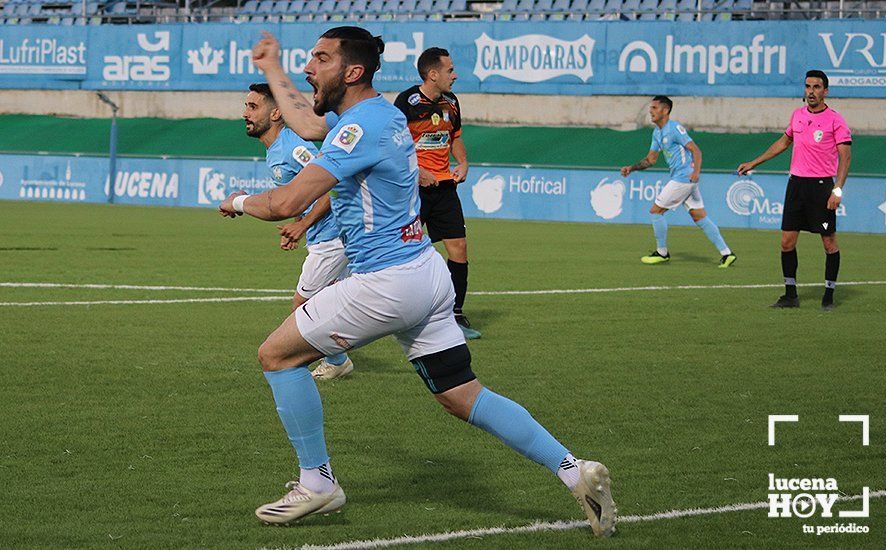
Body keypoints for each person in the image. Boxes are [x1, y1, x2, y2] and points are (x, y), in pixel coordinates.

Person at [218, 27, 616, 537]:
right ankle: (573, 471)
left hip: (385, 282)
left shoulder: (357, 130)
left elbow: (285, 203)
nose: (309, 68)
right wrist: (271, 68)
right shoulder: (378, 113)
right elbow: (304, 119)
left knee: (277, 355)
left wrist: (235, 200)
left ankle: (317, 484)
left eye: (320, 59)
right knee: (462, 394)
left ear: (352, 72)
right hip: (425, 274)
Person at [243, 82, 354, 381]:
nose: (246, 113)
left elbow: (330, 183)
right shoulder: (277, 150)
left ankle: (331, 359)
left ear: (277, 112)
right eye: (246, 106)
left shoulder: (296, 148)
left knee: (302, 304)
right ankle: (337, 355)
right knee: (331, 301)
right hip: (326, 236)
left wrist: (303, 224)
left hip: (331, 237)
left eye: (254, 107)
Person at [737, 70, 851, 311]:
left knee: (829, 243)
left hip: (821, 187)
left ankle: (829, 295)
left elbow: (845, 158)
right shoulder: (797, 115)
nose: (811, 91)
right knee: (787, 242)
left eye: (817, 87)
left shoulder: (835, 120)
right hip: (796, 185)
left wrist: (837, 190)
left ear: (825, 91)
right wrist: (753, 162)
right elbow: (783, 142)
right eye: (808, 86)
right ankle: (790, 295)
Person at [394, 48, 480, 340]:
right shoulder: (406, 102)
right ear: (433, 74)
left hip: (445, 188)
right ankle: (401, 312)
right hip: (414, 190)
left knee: (459, 249)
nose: (454, 75)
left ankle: (455, 313)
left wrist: (464, 162)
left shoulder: (452, 102)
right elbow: (395, 146)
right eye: (450, 70)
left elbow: (454, 137)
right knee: (406, 252)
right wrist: (416, 171)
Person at [621, 96, 736, 268]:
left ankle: (662, 252)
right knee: (699, 216)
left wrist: (696, 172)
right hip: (686, 180)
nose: (650, 111)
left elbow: (696, 150)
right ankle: (727, 253)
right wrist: (632, 168)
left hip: (684, 178)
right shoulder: (657, 133)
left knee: (655, 211)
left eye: (654, 108)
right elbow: (651, 160)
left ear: (665, 110)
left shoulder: (674, 129)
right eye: (650, 108)